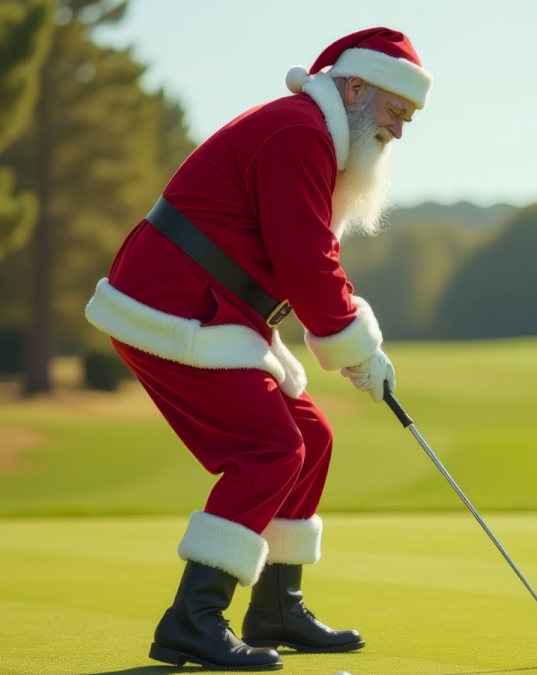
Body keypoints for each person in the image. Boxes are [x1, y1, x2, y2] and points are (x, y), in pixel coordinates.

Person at [84, 27, 432, 671]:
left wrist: (355, 341)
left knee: (312, 438)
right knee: (270, 449)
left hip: (215, 311)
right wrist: (358, 348)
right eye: (395, 112)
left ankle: (277, 609)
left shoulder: (314, 135)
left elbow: (302, 257)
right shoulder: (300, 133)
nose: (399, 131)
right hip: (170, 309)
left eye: (409, 118)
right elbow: (306, 261)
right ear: (355, 87)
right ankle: (193, 618)